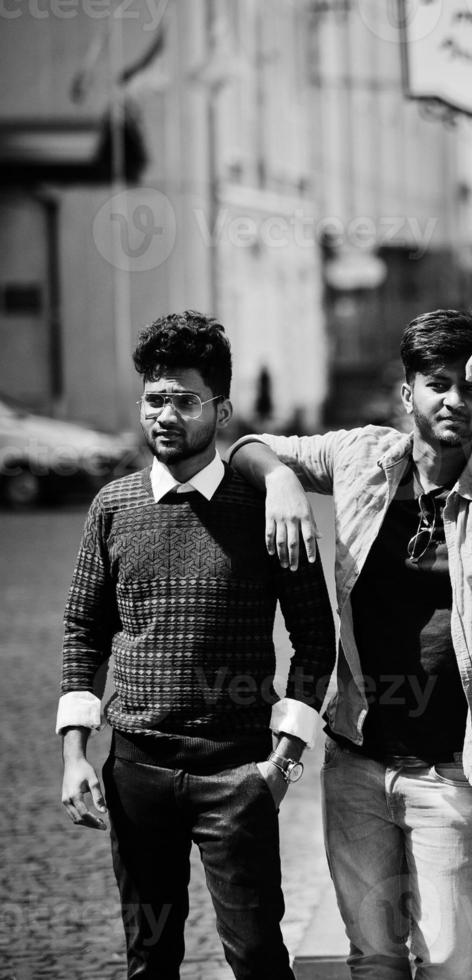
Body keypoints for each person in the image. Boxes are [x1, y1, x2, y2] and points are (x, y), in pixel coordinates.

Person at [226, 309, 472, 978]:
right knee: (374, 958)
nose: (454, 401)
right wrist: (280, 480)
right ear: (406, 390)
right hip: (357, 759)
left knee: (447, 963)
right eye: (437, 384)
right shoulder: (361, 455)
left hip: (452, 767)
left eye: (469, 388)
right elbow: (245, 447)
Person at [57, 311, 336, 978]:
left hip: (236, 774)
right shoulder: (114, 507)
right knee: (149, 958)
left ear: (222, 408)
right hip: (136, 773)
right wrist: (75, 754)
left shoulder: (265, 507)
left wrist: (283, 767)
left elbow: (315, 642)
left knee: (259, 959)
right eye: (155, 398)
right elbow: (83, 630)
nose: (167, 415)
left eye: (185, 400)